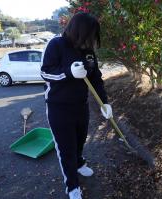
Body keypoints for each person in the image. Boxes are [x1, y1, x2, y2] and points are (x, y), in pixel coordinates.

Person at [40, 12, 113, 199]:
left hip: (81, 106)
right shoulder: (56, 44)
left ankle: (79, 164)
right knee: (66, 149)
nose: (92, 41)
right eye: (90, 35)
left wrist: (105, 103)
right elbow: (45, 73)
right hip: (59, 108)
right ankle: (72, 186)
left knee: (80, 141)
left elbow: (96, 79)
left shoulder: (87, 52)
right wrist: (68, 73)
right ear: (80, 31)